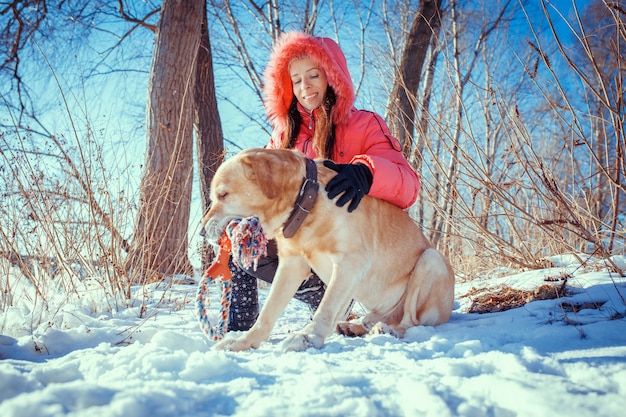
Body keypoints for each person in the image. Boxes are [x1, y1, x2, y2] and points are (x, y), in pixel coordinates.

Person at [227, 31, 421, 331]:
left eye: (313, 75)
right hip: (298, 245)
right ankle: (239, 331)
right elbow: (260, 191)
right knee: (241, 238)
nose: (305, 87)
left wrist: (369, 172)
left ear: (332, 76)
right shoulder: (282, 140)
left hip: (350, 250)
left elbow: (408, 184)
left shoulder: (364, 124)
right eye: (296, 80)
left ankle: (337, 295)